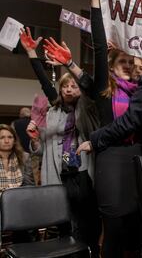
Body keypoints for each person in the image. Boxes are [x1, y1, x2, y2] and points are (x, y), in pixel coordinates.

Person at [42, 0, 142, 258]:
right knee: (113, 231)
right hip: (112, 162)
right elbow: (100, 46)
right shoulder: (104, 88)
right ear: (111, 66)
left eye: (131, 60)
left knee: (137, 232)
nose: (128, 64)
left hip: (141, 158)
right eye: (121, 60)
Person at [19, 28, 101, 257]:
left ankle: (90, 252)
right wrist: (31, 53)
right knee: (62, 220)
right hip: (60, 171)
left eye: (73, 85)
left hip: (82, 171)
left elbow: (90, 87)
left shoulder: (89, 108)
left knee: (87, 222)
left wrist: (69, 64)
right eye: (65, 86)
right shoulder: (54, 110)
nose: (68, 89)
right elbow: (45, 84)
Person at [0, 124, 34, 192]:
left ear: (14, 140)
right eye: (2, 137)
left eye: (10, 137)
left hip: (18, 198)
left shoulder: (24, 157)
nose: (6, 141)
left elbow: (29, 186)